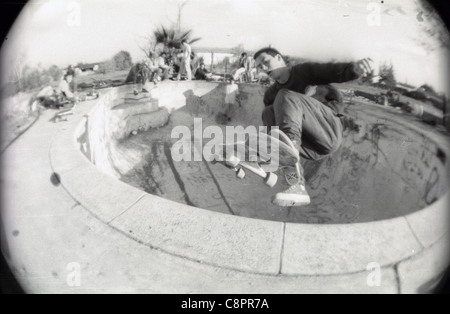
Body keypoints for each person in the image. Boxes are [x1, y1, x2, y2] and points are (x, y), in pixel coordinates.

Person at [253, 47, 374, 206]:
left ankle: (283, 152)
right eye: (259, 66)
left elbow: (332, 71)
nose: (263, 68)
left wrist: (354, 69)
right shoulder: (270, 95)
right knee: (268, 113)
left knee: (285, 96)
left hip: (328, 129)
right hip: (310, 147)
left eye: (265, 62)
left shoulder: (305, 71)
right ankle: (294, 183)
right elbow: (273, 124)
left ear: (279, 58)